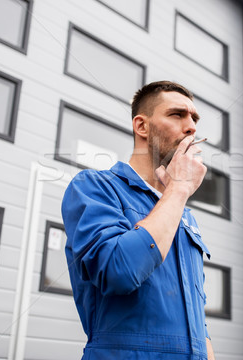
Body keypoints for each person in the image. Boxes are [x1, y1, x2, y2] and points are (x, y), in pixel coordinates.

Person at [62, 81, 215, 359]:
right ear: (141, 126)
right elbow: (118, 271)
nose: (192, 126)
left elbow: (198, 315)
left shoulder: (184, 214)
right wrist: (179, 188)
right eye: (177, 114)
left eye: (194, 119)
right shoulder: (95, 188)